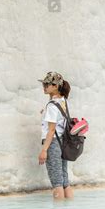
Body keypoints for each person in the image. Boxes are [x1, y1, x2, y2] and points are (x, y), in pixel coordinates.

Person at [38, 72, 74, 200]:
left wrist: (44, 150)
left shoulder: (52, 106)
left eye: (47, 84)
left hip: (53, 143)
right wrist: (45, 111)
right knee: (64, 180)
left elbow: (51, 130)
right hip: (62, 142)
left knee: (56, 181)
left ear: (55, 86)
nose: (44, 86)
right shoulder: (63, 101)